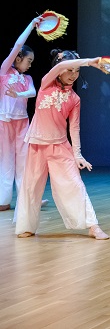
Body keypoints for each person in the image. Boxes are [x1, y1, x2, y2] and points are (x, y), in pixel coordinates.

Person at [14, 49, 109, 240]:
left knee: (75, 184)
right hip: (37, 145)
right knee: (31, 187)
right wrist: (89, 61)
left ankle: (93, 226)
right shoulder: (45, 84)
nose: (73, 75)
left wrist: (78, 155)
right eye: (70, 70)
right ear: (59, 70)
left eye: (77, 71)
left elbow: (74, 128)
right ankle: (27, 226)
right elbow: (61, 65)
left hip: (60, 146)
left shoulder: (75, 99)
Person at [1, 16, 46, 212]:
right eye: (28, 60)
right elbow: (18, 44)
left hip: (22, 124)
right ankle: (3, 199)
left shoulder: (27, 78)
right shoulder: (4, 71)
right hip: (4, 122)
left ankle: (26, 198)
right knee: (6, 160)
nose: (30, 65)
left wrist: (18, 94)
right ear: (18, 58)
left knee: (24, 162)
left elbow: (33, 93)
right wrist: (32, 25)